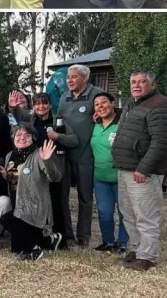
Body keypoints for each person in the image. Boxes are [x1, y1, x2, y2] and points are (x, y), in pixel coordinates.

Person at [112, 70, 167, 271]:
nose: (136, 85)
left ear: (153, 85)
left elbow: (161, 143)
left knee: (146, 215)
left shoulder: (160, 105)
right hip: (125, 168)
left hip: (141, 171)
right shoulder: (133, 103)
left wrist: (144, 168)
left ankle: (147, 256)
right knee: (129, 213)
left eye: (142, 82)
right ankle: (136, 248)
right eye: (133, 82)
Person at [0, 129, 64, 261]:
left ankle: (35, 250)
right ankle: (49, 240)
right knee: (16, 248)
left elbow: (55, 177)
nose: (22, 138)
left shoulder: (39, 155)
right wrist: (6, 176)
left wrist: (47, 160)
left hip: (35, 205)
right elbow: (15, 180)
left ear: (33, 138)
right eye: (18, 135)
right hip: (18, 205)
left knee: (6, 219)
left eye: (27, 135)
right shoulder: (9, 156)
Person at [57, 64, 102, 247]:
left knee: (85, 197)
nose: (69, 80)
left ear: (85, 78)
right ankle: (66, 233)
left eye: (74, 77)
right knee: (63, 196)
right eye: (68, 77)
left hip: (86, 155)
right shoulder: (63, 97)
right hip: (65, 155)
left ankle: (83, 236)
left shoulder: (96, 95)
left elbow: (111, 114)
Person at [28, 92, 79, 246]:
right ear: (33, 106)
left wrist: (58, 137)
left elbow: (74, 140)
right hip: (37, 167)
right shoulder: (31, 120)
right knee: (40, 200)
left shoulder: (59, 120)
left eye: (44, 103)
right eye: (37, 104)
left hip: (58, 166)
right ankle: (43, 234)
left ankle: (65, 236)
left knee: (59, 201)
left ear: (50, 105)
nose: (41, 106)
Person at [90, 91, 127, 254]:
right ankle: (108, 242)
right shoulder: (96, 124)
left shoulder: (122, 124)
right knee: (104, 212)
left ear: (113, 103)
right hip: (100, 177)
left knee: (124, 212)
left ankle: (123, 242)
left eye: (104, 102)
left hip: (121, 176)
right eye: (97, 105)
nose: (100, 106)